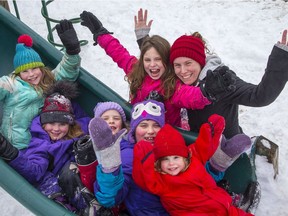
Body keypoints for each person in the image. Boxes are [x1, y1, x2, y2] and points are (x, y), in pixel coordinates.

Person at [88, 99, 252, 216]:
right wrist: (110, 166)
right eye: (143, 126)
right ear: (133, 131)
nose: (150, 131)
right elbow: (110, 199)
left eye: (156, 126)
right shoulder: (129, 155)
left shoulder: (171, 149)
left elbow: (192, 177)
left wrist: (216, 166)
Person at [79, 11, 236, 128]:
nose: (152, 65)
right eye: (147, 60)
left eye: (158, 60)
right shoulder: (137, 71)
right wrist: (100, 34)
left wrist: (208, 91)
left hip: (162, 133)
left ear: (166, 61)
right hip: (139, 128)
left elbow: (192, 96)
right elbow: (118, 52)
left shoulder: (172, 86)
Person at [3, 81, 101, 214]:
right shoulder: (41, 143)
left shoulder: (82, 129)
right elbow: (34, 171)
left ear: (70, 123)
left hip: (93, 179)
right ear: (43, 123)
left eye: (62, 124)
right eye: (51, 123)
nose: (56, 129)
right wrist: (9, 151)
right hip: (67, 185)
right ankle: (78, 209)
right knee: (57, 177)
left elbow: (84, 117)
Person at [132, 115, 254, 216]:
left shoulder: (192, 159)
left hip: (223, 206)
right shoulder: (161, 180)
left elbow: (203, 146)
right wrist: (144, 157)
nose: (171, 163)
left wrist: (211, 130)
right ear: (158, 162)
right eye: (165, 159)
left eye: (176, 157)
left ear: (184, 157)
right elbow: (142, 178)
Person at [0, 19, 81, 150]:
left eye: (34, 69)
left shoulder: (49, 81)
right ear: (18, 74)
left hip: (35, 142)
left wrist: (72, 51)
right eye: (25, 71)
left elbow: (66, 70)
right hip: (10, 141)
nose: (31, 74)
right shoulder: (12, 84)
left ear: (41, 68)